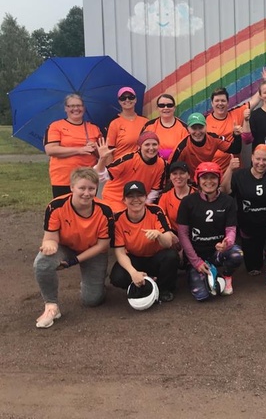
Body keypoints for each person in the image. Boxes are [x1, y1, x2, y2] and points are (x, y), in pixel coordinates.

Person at [33, 167, 114, 328]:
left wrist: (73, 261)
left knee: (92, 300)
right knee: (42, 262)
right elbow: (50, 237)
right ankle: (51, 306)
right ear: (72, 187)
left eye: (91, 188)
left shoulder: (105, 210)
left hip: (93, 251)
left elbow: (102, 245)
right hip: (66, 246)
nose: (86, 193)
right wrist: (49, 244)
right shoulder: (56, 206)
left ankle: (96, 281)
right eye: (82, 188)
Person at [222, 145, 266, 285]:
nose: (261, 163)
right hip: (249, 225)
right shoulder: (240, 175)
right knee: (253, 268)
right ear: (252, 158)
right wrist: (229, 169)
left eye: (265, 160)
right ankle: (261, 251)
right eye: (258, 159)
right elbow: (224, 192)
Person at [176, 162, 243, 300]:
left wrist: (227, 243)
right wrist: (196, 262)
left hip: (216, 252)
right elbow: (182, 234)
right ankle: (200, 273)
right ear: (197, 179)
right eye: (204, 178)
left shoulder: (228, 201)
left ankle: (226, 275)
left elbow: (231, 230)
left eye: (213, 177)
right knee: (202, 296)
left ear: (219, 179)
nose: (209, 181)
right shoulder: (187, 202)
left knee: (236, 254)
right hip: (196, 254)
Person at [110, 181, 179, 303]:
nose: (135, 199)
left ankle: (163, 289)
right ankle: (143, 283)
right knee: (117, 277)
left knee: (171, 256)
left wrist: (159, 235)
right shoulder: (118, 219)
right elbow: (120, 252)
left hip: (155, 257)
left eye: (139, 195)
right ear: (124, 200)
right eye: (130, 196)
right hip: (134, 258)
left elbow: (168, 243)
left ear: (146, 197)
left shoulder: (155, 211)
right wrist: (133, 273)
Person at [44, 94, 103, 197]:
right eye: (71, 106)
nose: (76, 109)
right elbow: (50, 150)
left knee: (87, 206)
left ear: (84, 108)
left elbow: (102, 154)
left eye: (79, 105)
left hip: (88, 179)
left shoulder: (93, 128)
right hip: (63, 179)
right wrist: (79, 150)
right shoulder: (56, 126)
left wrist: (95, 148)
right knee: (64, 206)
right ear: (65, 108)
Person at [94, 131, 167, 212]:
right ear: (139, 147)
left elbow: (155, 190)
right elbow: (101, 176)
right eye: (147, 144)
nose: (151, 148)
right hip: (116, 199)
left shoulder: (161, 164)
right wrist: (102, 159)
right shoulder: (128, 159)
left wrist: (143, 206)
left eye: (154, 144)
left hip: (138, 202)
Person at [205, 81, 261, 171]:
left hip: (235, 172)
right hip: (213, 173)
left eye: (223, 101)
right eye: (217, 101)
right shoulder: (205, 121)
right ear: (212, 103)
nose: (220, 103)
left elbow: (255, 100)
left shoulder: (236, 114)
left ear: (228, 103)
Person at [169, 112, 242, 176]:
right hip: (189, 181)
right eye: (194, 128)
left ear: (206, 127)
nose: (198, 132)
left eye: (200, 127)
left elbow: (235, 150)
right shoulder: (182, 147)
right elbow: (170, 169)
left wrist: (237, 135)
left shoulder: (213, 139)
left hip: (207, 177)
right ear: (188, 129)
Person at [106, 87, 148, 161]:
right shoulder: (114, 123)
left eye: (131, 97)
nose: (127, 100)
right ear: (119, 101)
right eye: (123, 98)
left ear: (135, 99)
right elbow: (109, 151)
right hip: (120, 165)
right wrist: (110, 167)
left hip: (141, 164)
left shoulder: (145, 122)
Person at [141, 94, 189, 160]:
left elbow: (188, 151)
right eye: (162, 105)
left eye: (169, 105)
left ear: (174, 108)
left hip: (176, 164)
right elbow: (141, 148)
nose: (166, 108)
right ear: (157, 108)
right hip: (153, 163)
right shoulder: (149, 126)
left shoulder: (184, 128)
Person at [157, 161, 196, 233]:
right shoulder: (165, 197)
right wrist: (169, 234)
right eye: (175, 173)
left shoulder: (198, 195)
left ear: (188, 176)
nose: (178, 177)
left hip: (195, 234)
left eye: (182, 173)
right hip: (174, 235)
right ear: (170, 176)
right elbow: (160, 220)